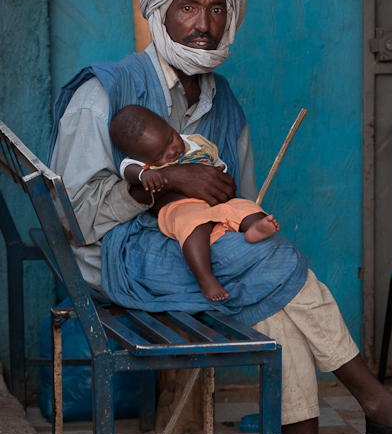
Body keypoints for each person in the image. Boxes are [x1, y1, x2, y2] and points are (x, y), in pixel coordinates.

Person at [48, 0, 392, 434]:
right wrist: (165, 182)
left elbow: (234, 198)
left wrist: (223, 206)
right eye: (188, 6)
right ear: (161, 13)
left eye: (216, 9)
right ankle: (375, 402)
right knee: (268, 257)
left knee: (277, 312)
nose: (203, 23)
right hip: (114, 259)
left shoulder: (225, 103)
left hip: (196, 255)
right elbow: (76, 217)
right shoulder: (104, 91)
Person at [109, 104, 280, 301]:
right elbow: (128, 170)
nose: (172, 151)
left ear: (167, 124)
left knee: (244, 206)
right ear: (140, 158)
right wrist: (144, 174)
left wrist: (221, 176)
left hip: (213, 201)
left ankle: (255, 227)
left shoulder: (195, 142)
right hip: (180, 207)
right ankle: (205, 278)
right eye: (160, 155)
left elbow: (217, 164)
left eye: (171, 139)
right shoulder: (140, 164)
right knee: (193, 227)